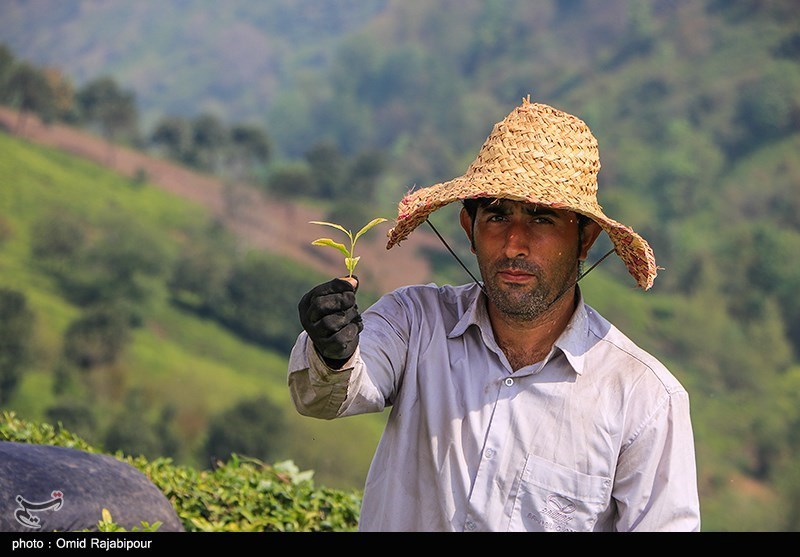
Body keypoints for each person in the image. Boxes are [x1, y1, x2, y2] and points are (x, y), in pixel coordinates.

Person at [287, 97, 700, 532]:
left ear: (584, 240)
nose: (514, 244)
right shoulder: (415, 320)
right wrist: (333, 353)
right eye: (498, 216)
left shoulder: (643, 399)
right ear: (470, 230)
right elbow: (324, 397)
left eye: (542, 220)